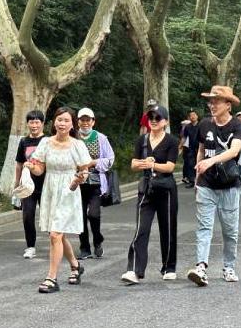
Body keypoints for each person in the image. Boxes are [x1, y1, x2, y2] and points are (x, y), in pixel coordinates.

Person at [23, 107, 91, 293]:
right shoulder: (45, 142)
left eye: (66, 120)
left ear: (72, 124)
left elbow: (84, 171)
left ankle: (51, 278)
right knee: (57, 234)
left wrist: (78, 180)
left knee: (55, 235)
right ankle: (75, 266)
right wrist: (31, 167)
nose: (62, 123)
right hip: (50, 190)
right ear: (54, 122)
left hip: (69, 190)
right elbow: (40, 170)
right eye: (59, 119)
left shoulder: (77, 145)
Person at [187, 85, 241, 286]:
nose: (212, 105)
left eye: (217, 102)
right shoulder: (204, 124)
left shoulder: (238, 125)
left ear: (228, 105)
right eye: (210, 102)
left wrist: (211, 161)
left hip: (230, 185)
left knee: (230, 231)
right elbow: (201, 150)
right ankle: (201, 267)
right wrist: (197, 177)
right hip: (207, 184)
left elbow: (234, 151)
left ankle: (229, 267)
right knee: (204, 227)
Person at [121, 105, 179, 285]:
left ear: (165, 121)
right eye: (151, 117)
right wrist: (145, 163)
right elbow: (133, 164)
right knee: (141, 229)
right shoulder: (142, 140)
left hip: (166, 189)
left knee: (167, 229)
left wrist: (153, 165)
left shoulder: (172, 141)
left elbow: (170, 166)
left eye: (158, 118)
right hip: (146, 189)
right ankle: (134, 270)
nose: (153, 121)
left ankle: (169, 268)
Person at [76, 107, 115, 260]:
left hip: (96, 183)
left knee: (93, 214)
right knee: (79, 217)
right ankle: (84, 248)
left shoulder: (101, 138)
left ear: (93, 121)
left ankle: (97, 240)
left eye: (88, 120)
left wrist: (93, 163)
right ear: (78, 121)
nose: (85, 123)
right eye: (82, 120)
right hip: (77, 182)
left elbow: (110, 159)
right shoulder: (73, 137)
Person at [14, 110, 46, 259]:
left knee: (49, 217)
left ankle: (57, 243)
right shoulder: (23, 142)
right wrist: (16, 184)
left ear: (42, 123)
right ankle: (30, 246)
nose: (34, 125)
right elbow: (19, 164)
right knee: (27, 216)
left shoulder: (47, 141)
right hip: (28, 185)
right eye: (31, 122)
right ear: (27, 124)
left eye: (37, 122)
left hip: (45, 185)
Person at [179, 110, 199, 189]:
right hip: (191, 148)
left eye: (194, 115)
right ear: (189, 117)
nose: (192, 116)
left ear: (197, 116)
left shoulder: (201, 125)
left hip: (200, 148)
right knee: (190, 164)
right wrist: (180, 146)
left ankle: (201, 181)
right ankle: (191, 181)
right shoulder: (187, 127)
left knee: (200, 164)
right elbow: (184, 137)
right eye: (191, 115)